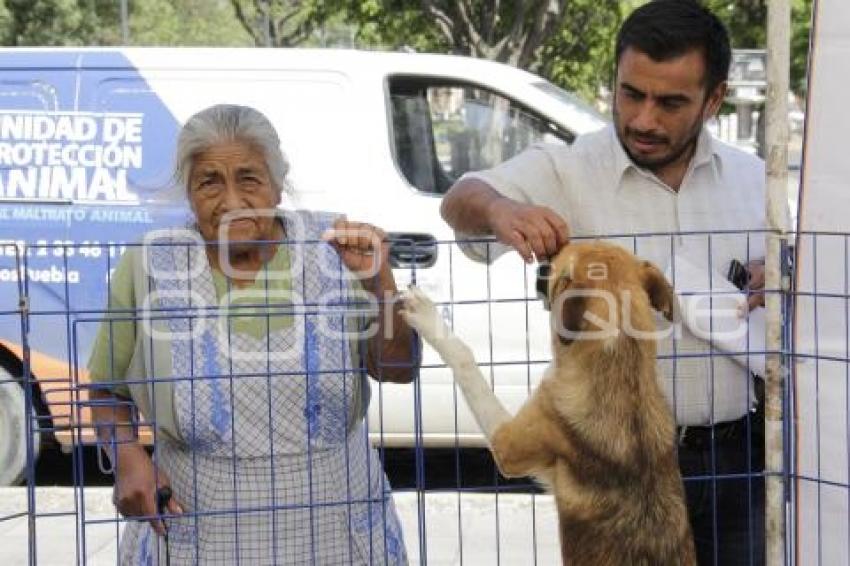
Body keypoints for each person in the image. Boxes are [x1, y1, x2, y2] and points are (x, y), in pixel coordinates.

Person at [440, 1, 766, 565]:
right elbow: (460, 200)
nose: (643, 119)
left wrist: (780, 276)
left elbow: (801, 286)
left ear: (714, 100)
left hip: (736, 458)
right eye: (630, 94)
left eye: (670, 103)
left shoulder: (754, 180)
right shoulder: (566, 169)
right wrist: (498, 210)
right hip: (619, 473)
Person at [88, 104, 416, 565]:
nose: (230, 200)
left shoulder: (333, 248)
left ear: (278, 187)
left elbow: (398, 370)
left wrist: (381, 284)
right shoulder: (149, 265)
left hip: (338, 533)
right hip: (199, 538)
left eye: (249, 179)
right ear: (188, 191)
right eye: (209, 181)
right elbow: (104, 390)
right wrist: (126, 458)